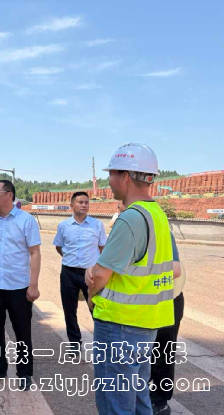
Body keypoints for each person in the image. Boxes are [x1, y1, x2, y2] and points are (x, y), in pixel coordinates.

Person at [86, 143, 175, 415]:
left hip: (119, 325)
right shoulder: (157, 215)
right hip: (145, 324)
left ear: (125, 176)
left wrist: (91, 298)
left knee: (115, 404)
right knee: (138, 399)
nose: (109, 181)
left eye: (111, 174)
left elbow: (100, 274)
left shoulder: (129, 220)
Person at [0, 180, 41, 391]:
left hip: (19, 286)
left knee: (22, 331)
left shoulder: (26, 220)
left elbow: (35, 253)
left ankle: (24, 372)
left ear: (9, 195)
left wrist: (33, 285)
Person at [53, 191, 106, 351]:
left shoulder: (97, 225)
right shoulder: (64, 226)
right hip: (68, 273)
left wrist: (94, 267)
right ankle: (75, 344)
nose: (84, 205)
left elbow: (102, 248)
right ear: (72, 205)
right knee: (69, 310)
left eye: (86, 202)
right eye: (80, 202)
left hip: (90, 274)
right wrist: (70, 259)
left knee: (96, 308)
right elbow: (59, 246)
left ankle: (102, 343)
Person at [150, 233, 185, 415]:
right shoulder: (129, 226)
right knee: (143, 353)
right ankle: (143, 395)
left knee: (163, 352)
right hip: (144, 301)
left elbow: (175, 269)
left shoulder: (161, 231)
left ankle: (159, 400)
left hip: (168, 299)